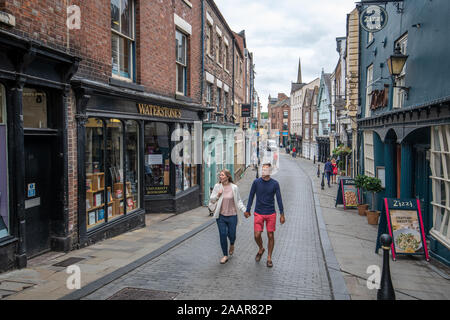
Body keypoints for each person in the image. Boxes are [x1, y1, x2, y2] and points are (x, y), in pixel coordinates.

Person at [244, 163, 285, 268]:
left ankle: (269, 258)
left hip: (271, 212)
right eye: (262, 170)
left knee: (270, 235)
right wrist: (248, 209)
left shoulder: (275, 184)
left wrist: (282, 214)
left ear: (270, 172)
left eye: (266, 170)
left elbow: (279, 199)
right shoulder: (256, 182)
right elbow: (251, 196)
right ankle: (261, 248)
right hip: (259, 212)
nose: (263, 172)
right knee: (256, 235)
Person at [209, 169, 247, 264]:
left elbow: (238, 201)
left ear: (227, 177)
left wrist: (244, 210)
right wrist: (218, 195)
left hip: (232, 216)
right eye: (220, 175)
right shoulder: (217, 186)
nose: (220, 176)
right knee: (223, 234)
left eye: (222, 175)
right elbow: (212, 200)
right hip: (221, 216)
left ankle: (232, 244)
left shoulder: (234, 187)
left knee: (232, 235)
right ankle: (225, 255)